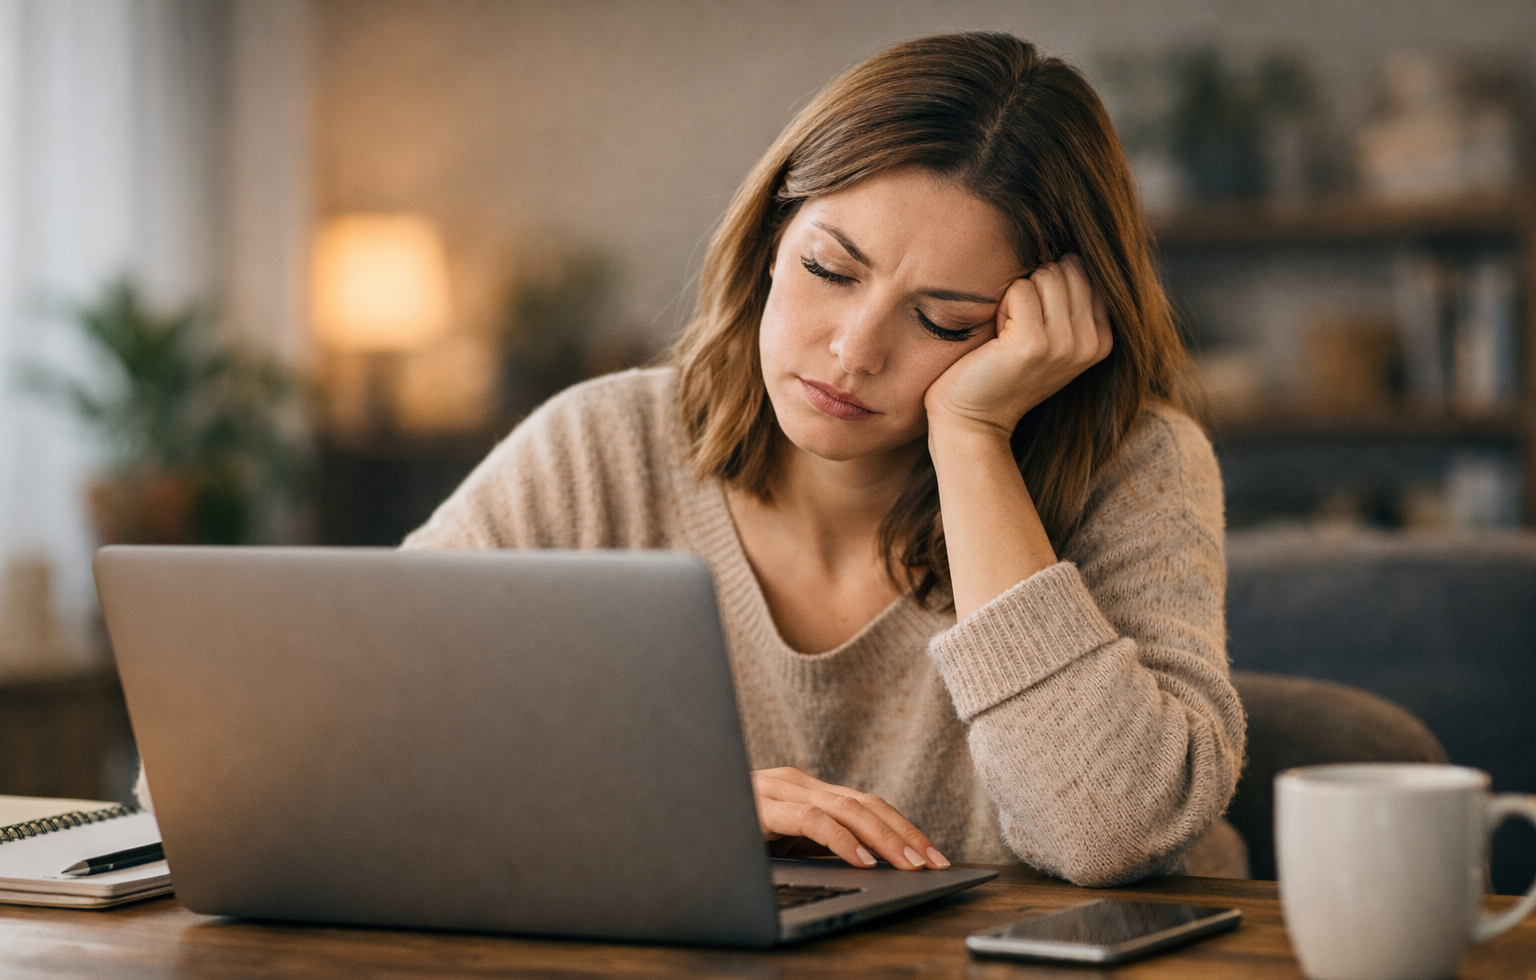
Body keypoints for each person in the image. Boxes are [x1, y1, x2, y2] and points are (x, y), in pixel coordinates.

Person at [403, 31, 1246, 886]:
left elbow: (1108, 834)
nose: (853, 351)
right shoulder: (597, 448)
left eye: (945, 322)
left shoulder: (1133, 467)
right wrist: (682, 802)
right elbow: (371, 735)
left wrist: (973, 440)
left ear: (1040, 331)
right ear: (773, 236)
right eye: (830, 269)